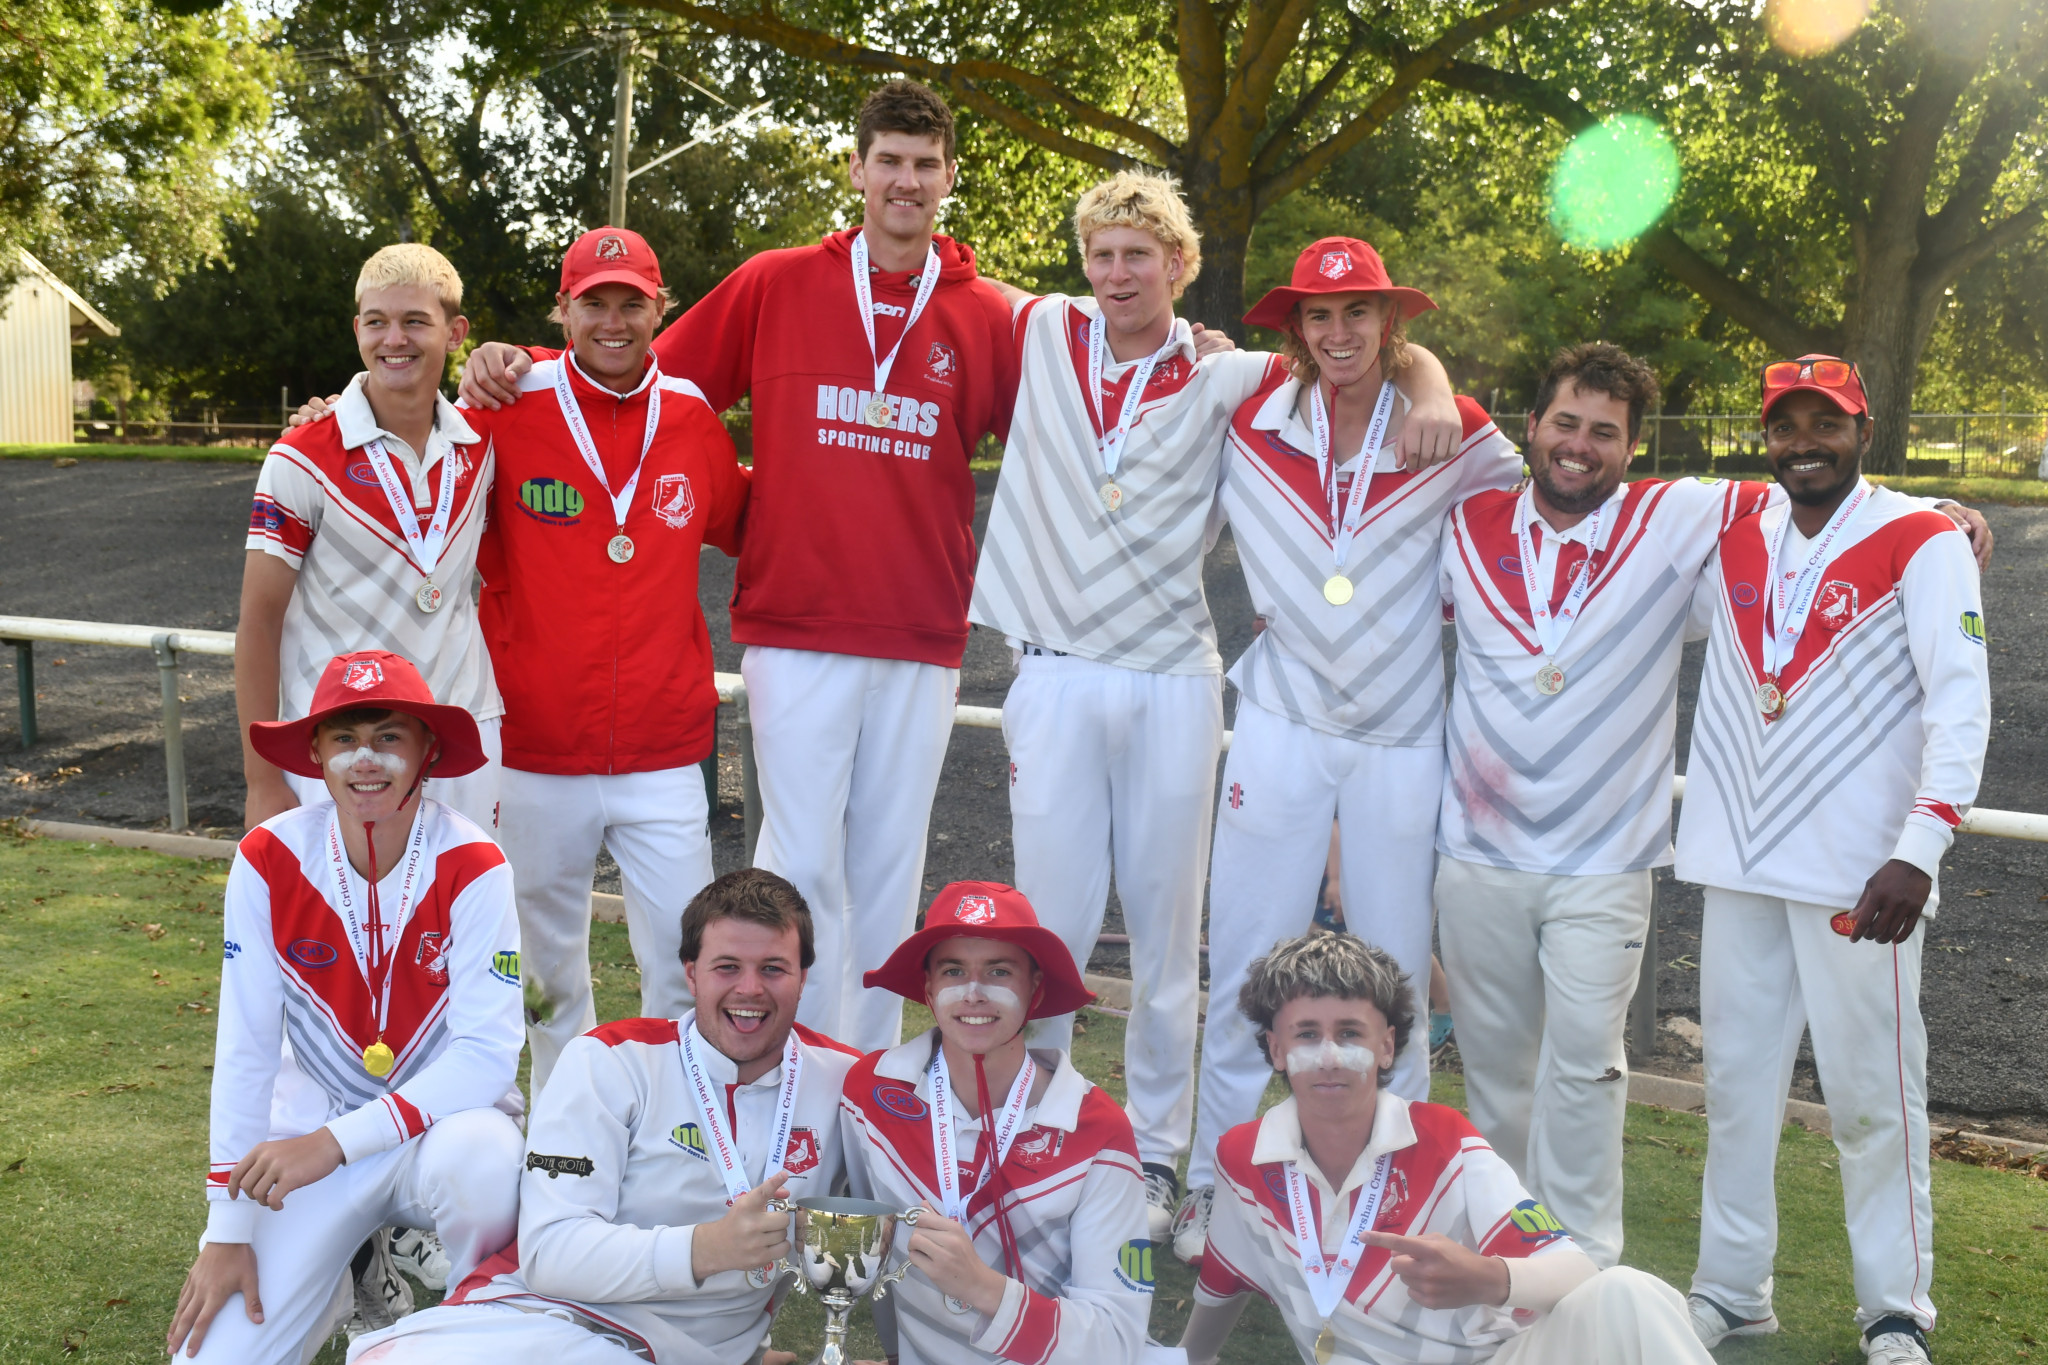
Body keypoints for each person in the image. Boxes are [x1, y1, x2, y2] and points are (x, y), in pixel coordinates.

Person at [459, 80, 1018, 1053]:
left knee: (887, 874)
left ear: (949, 180)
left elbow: (1082, 412)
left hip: (921, 627)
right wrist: (510, 368)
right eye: (886, 159)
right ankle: (782, 1090)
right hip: (794, 628)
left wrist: (1194, 345)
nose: (903, 179)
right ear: (855, 168)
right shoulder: (775, 282)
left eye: (923, 164)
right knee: (795, 872)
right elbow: (640, 384)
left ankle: (867, 1097)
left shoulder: (993, 316)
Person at [972, 177, 1464, 1244]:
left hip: (1169, 677)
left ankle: (1159, 1159)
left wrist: (1427, 384)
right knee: (1047, 934)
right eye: (1100, 255)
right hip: (1052, 671)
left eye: (1136, 258)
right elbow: (923, 270)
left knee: (1163, 940)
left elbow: (1358, 352)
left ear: (1178, 267)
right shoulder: (1043, 328)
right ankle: (1038, 1142)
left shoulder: (1228, 371)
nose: (1114, 276)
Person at [1179, 238, 1522, 1260]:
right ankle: (1212, 1188)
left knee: (1393, 977)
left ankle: (1395, 1197)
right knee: (1244, 957)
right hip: (1279, 723)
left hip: (1403, 736)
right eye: (1318, 318)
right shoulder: (1246, 415)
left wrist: (1434, 384)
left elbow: (1554, 494)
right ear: (1294, 328)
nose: (1338, 335)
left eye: (1357, 315)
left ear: (1389, 324)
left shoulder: (1451, 431)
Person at [1674, 356, 1991, 1364]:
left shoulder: (1921, 536)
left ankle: (1893, 1313)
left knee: (1869, 1100)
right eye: (1784, 423)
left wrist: (1918, 851)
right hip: (1737, 862)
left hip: (1865, 877)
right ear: (1763, 434)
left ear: (1862, 429)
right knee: (1734, 1089)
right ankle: (1729, 1290)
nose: (1803, 440)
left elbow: (1959, 702)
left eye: (1826, 422)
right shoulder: (1726, 528)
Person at [165, 650, 524, 1363]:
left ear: (429, 750)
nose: (366, 758)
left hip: (437, 1136)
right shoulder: (268, 857)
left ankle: (484, 1321)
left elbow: (486, 1058)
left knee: (484, 1162)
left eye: (390, 735)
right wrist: (228, 1229)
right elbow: (245, 1049)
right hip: (312, 1139)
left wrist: (334, 1143)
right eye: (344, 738)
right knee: (209, 1360)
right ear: (315, 754)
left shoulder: (476, 863)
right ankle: (347, 1271)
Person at [346, 868, 861, 1364]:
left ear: (803, 977)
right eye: (727, 966)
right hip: (542, 1320)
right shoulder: (610, 1060)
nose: (749, 989)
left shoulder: (845, 1082)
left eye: (773, 968)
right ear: (691, 974)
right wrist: (706, 1248)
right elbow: (552, 1253)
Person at [477, 225, 751, 1093]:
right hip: (534, 744)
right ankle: (563, 1147)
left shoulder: (694, 417)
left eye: (631, 301)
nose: (612, 319)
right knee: (548, 974)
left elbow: (747, 525)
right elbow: (409, 437)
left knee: (682, 968)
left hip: (664, 750)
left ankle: (674, 1138)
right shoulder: (505, 405)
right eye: (593, 301)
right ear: (563, 310)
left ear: (659, 309)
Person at [1177, 931, 1714, 1365]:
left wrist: (1487, 1277)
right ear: (1275, 1048)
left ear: (1387, 1046)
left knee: (1629, 1293)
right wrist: (1189, 1358)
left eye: (1350, 1033)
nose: (1330, 1056)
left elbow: (1575, 1272)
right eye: (1307, 1035)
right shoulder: (1242, 1158)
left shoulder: (1443, 1138)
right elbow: (1226, 1275)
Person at [238, 245, 499, 833]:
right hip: (336, 736)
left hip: (462, 732)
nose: (393, 339)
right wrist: (261, 779)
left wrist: (510, 355)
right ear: (358, 329)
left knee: (459, 916)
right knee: (338, 922)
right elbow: (258, 621)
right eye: (377, 322)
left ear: (455, 332)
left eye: (415, 322)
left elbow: (568, 378)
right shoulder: (300, 456)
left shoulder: (484, 441)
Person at [840, 882, 1157, 1365]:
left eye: (998, 971)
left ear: (1036, 988)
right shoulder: (871, 1094)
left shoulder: (1098, 1131)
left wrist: (982, 1288)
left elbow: (1116, 1343)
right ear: (927, 988)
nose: (973, 993)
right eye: (953, 970)